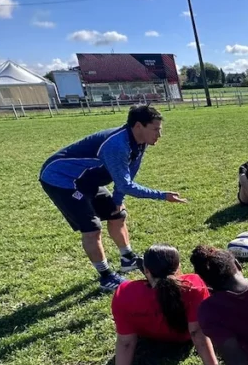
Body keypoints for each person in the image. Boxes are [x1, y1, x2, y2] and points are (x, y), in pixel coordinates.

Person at [39, 105, 187, 292]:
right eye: (155, 129)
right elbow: (126, 184)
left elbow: (128, 174)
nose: (159, 134)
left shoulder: (139, 141)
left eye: (160, 129)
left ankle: (127, 258)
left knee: (117, 214)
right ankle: (106, 277)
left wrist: (117, 199)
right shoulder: (117, 144)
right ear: (139, 126)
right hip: (62, 180)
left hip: (87, 180)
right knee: (92, 228)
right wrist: (162, 196)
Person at [97, 244, 220, 365]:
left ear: (146, 270)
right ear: (179, 267)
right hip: (184, 338)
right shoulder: (193, 285)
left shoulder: (124, 293)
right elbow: (196, 331)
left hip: (149, 337)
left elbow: (126, 341)